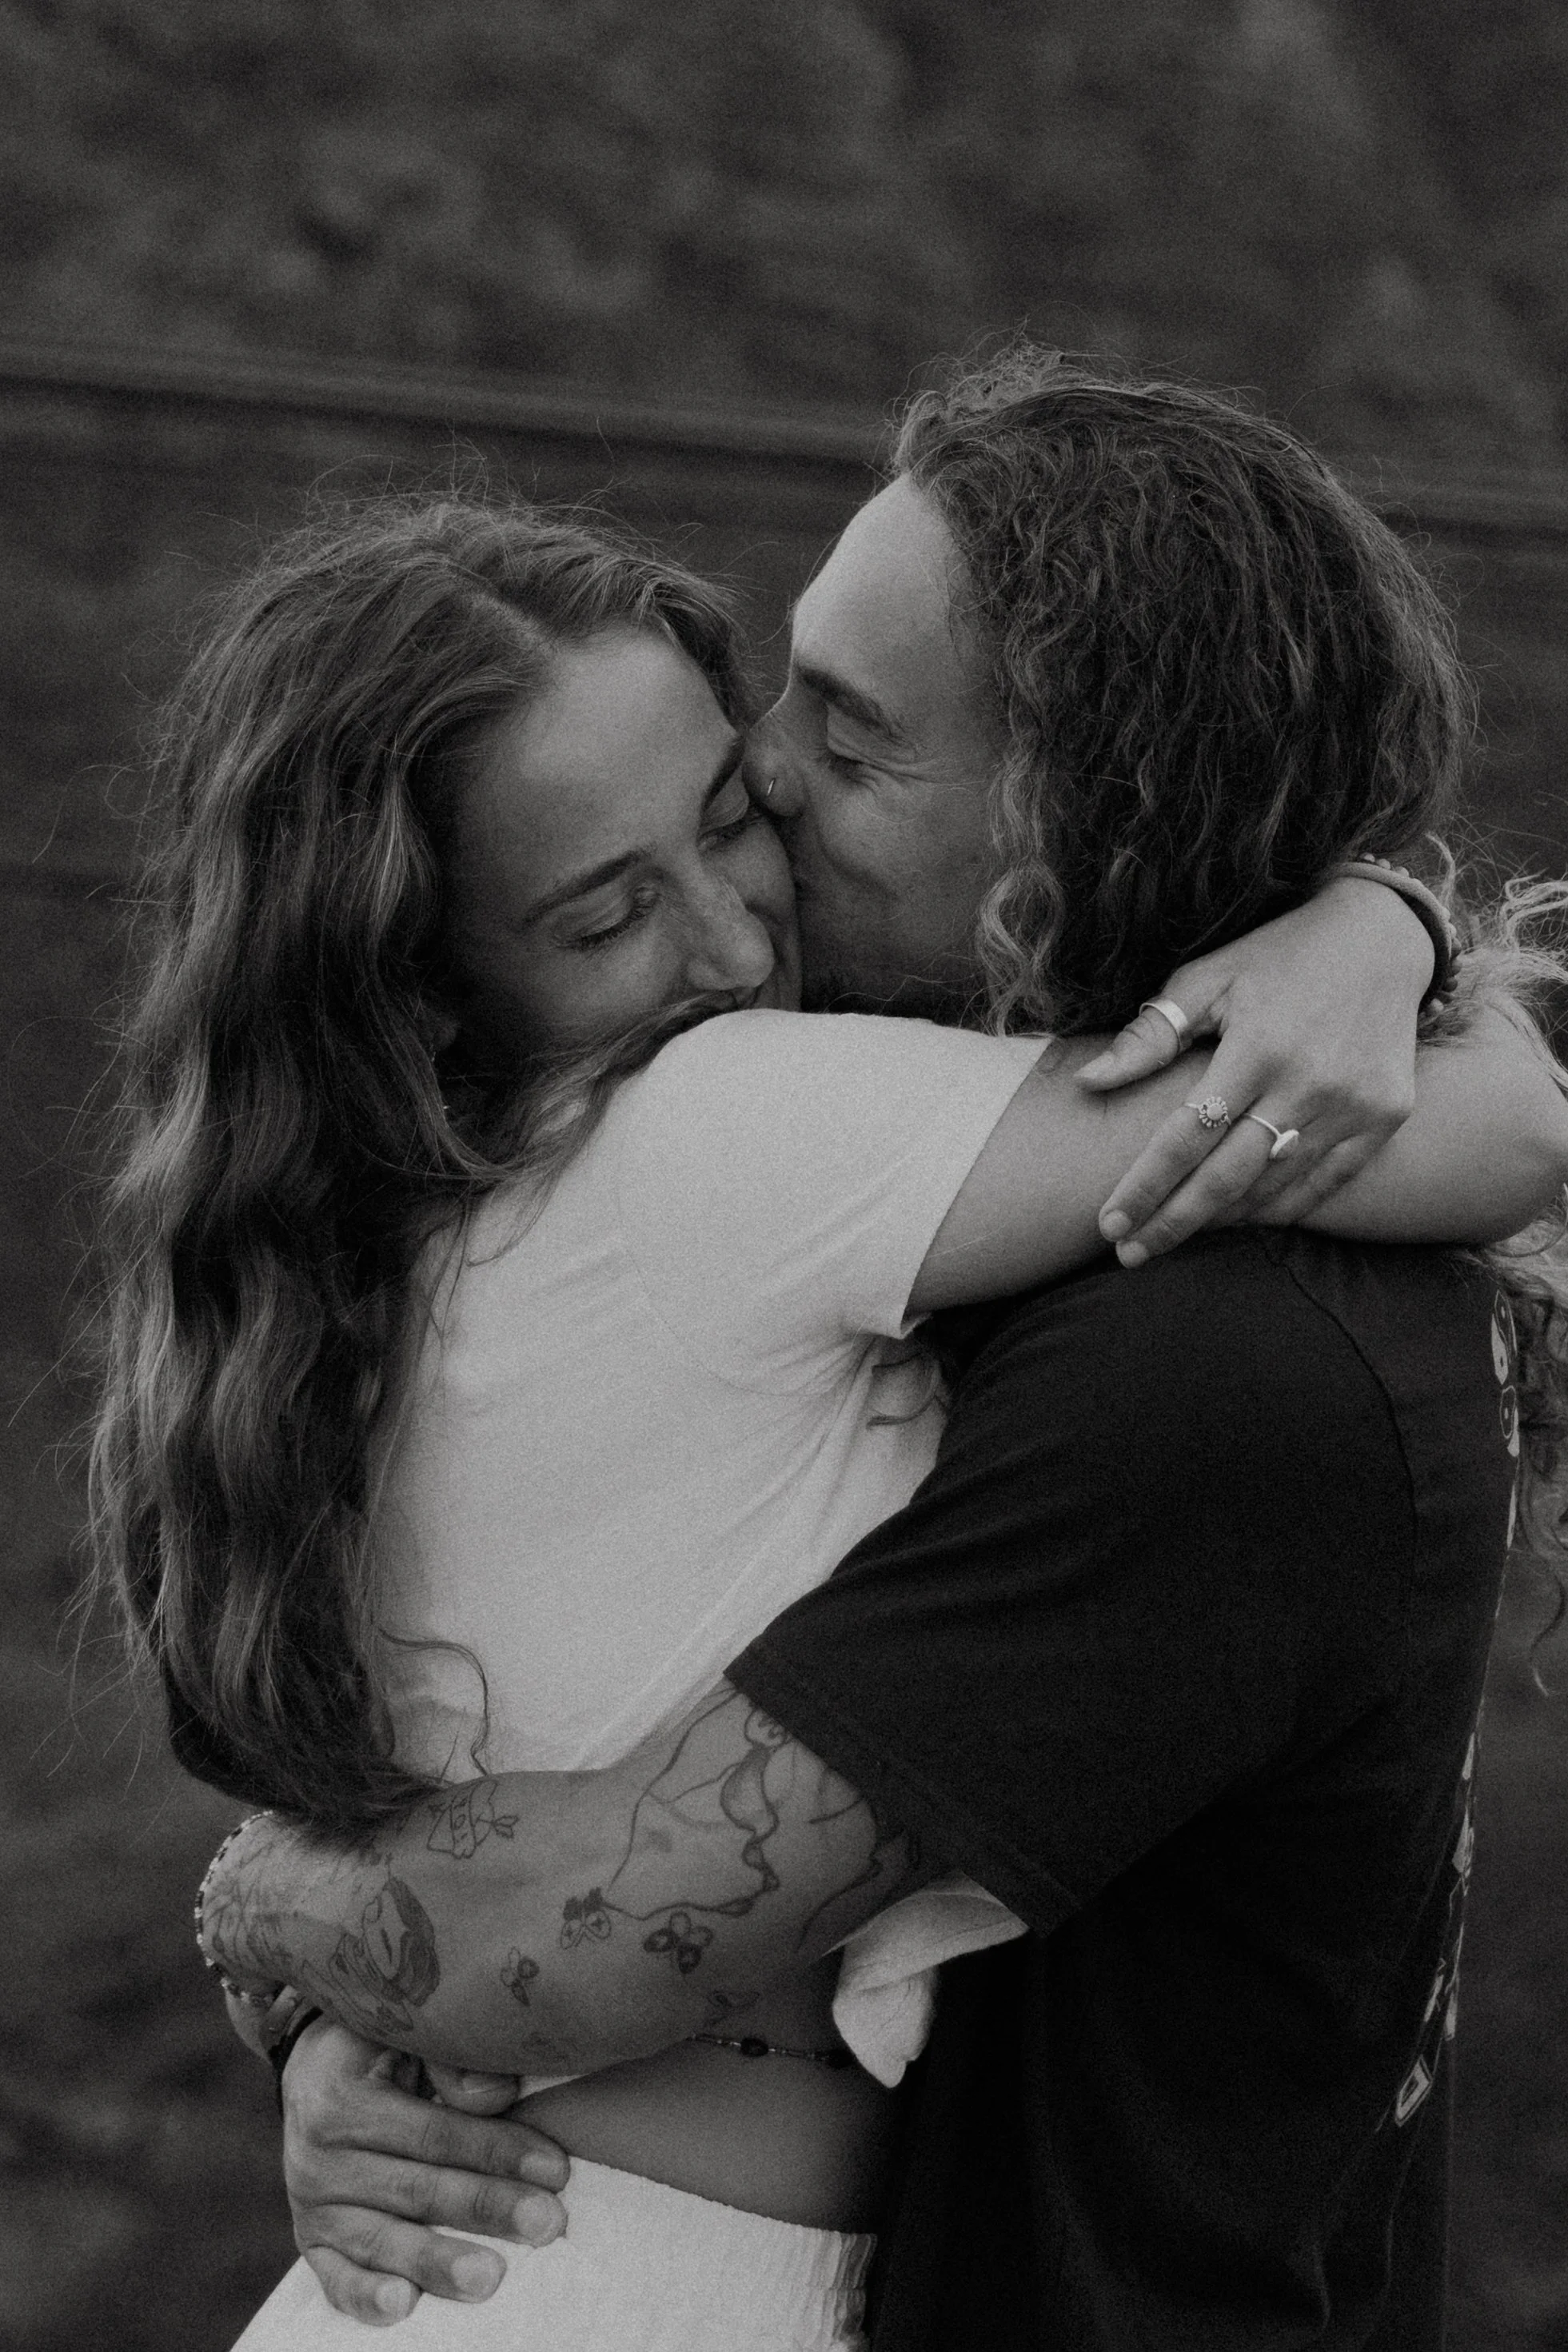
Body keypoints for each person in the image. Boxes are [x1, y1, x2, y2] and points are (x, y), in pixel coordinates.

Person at [118, 360, 1567, 2347]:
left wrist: (283, 1918)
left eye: (822, 752)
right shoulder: (768, 1138)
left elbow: (568, 1930)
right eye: (610, 906)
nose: (760, 847)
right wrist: (1379, 935)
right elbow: (1503, 1121)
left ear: (1073, 823)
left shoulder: (1196, 1335)